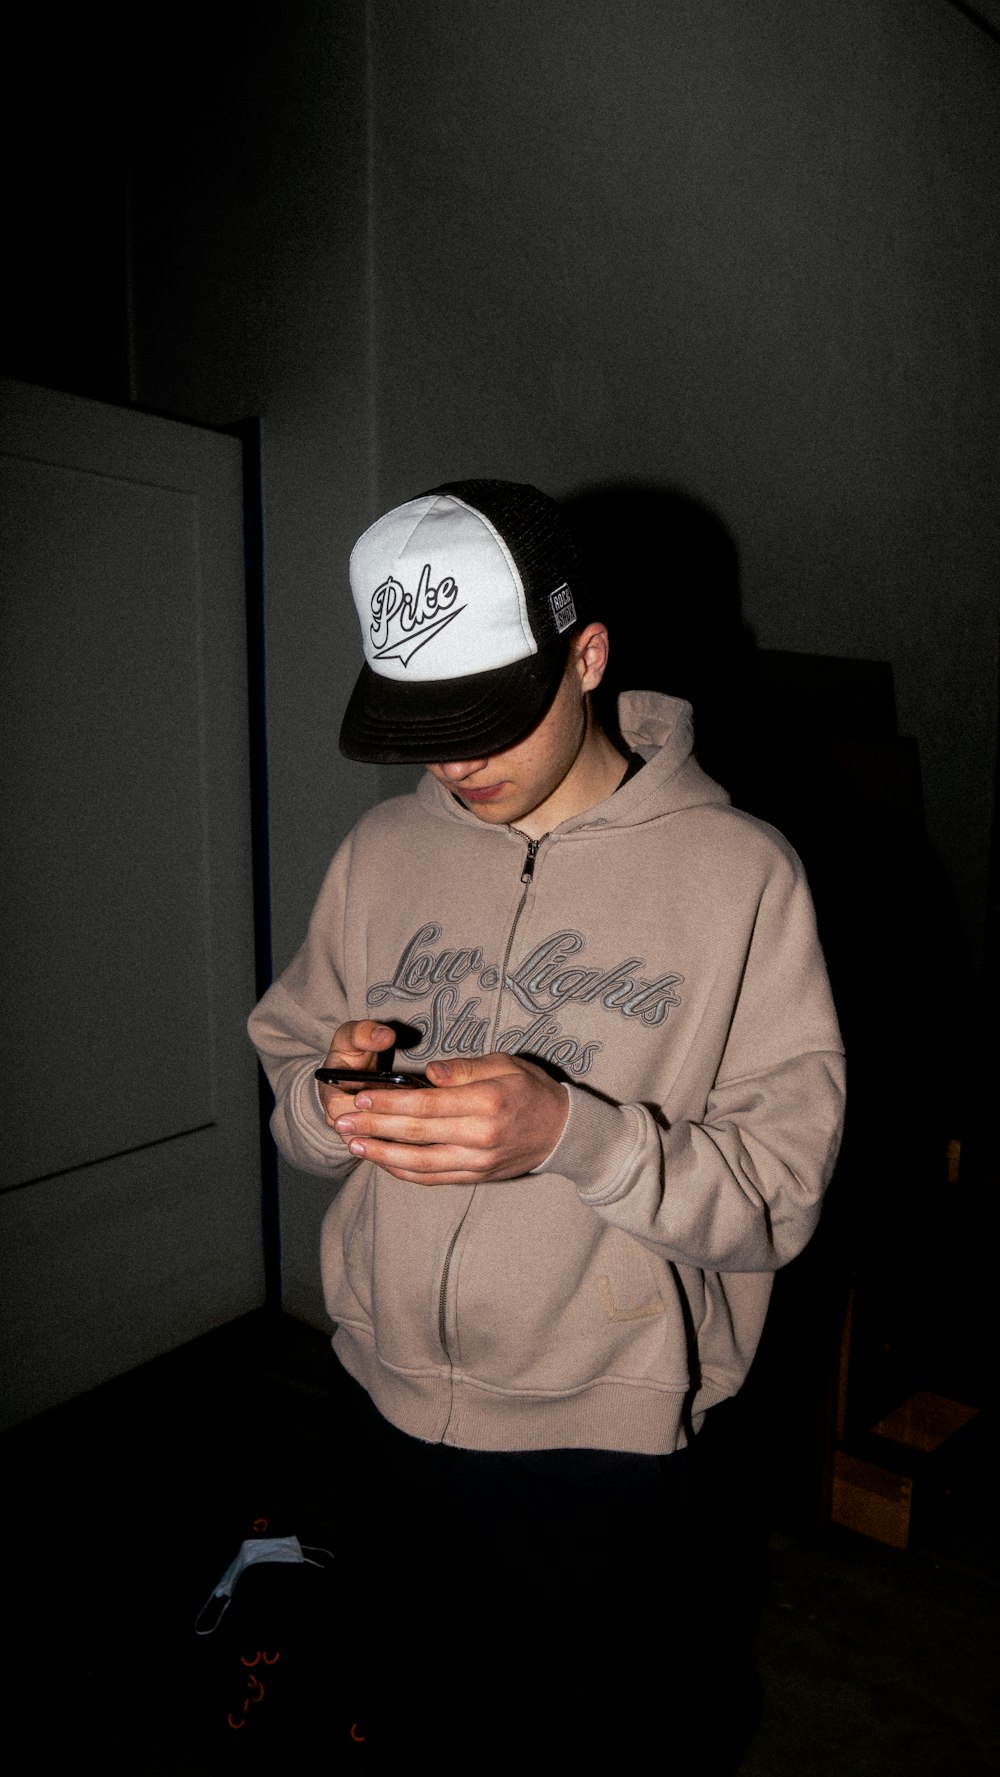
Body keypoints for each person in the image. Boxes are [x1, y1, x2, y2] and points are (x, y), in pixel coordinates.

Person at [248, 479, 845, 1766]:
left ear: (587, 654)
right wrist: (326, 1094)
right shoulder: (377, 852)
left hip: (615, 1442)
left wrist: (573, 1135)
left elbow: (777, 1202)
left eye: (487, 717)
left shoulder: (743, 876)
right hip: (386, 1405)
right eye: (421, 726)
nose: (455, 763)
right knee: (424, 1721)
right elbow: (291, 1071)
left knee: (629, 1741)